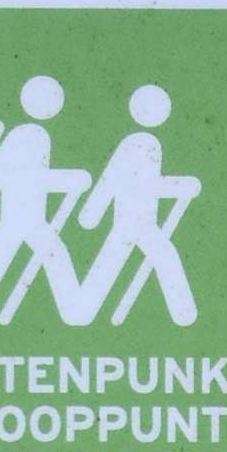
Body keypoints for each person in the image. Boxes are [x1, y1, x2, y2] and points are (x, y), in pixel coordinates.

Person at [0, 76, 91, 324]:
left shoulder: (37, 135)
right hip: (17, 217)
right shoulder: (25, 135)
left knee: (53, 253)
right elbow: (12, 176)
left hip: (32, 219)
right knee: (9, 257)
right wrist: (72, 179)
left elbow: (30, 178)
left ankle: (74, 312)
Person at [71, 85, 202, 325]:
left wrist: (182, 186)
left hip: (143, 225)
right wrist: (91, 214)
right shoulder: (136, 144)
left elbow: (143, 184)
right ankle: (80, 312)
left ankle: (184, 314)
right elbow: (117, 181)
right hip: (126, 224)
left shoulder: (148, 144)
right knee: (155, 257)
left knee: (165, 256)